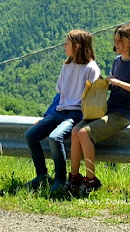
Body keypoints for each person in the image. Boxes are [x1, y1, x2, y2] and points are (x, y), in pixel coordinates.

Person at [68, 23, 130, 197]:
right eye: (116, 40)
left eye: (120, 41)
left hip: (122, 113)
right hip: (108, 109)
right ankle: (74, 177)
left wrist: (118, 82)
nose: (116, 44)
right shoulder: (117, 61)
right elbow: (114, 86)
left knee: (83, 133)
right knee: (75, 131)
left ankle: (91, 180)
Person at [24, 29, 100, 197]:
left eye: (67, 43)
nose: (64, 46)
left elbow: (92, 98)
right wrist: (46, 117)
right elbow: (60, 94)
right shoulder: (67, 66)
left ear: (77, 46)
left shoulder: (91, 68)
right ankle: (42, 175)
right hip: (60, 110)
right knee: (30, 135)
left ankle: (60, 179)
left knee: (55, 137)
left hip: (76, 114)